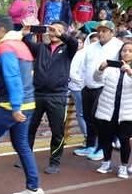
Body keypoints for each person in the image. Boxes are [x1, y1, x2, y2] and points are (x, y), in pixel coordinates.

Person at [0, 16, 46, 194]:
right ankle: (34, 188)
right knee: (22, 145)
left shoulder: (5, 47)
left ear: (1, 30)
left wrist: (15, 107)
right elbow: (17, 78)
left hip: (11, 107)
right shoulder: (20, 46)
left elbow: (13, 78)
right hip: (27, 104)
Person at [22, 21, 78, 174]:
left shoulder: (68, 49)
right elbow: (27, 43)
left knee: (57, 131)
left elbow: (73, 42)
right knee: (30, 128)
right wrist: (28, 31)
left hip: (57, 96)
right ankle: (25, 158)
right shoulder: (41, 48)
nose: (53, 32)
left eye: (57, 30)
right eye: (51, 29)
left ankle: (54, 162)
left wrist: (61, 33)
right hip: (37, 94)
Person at [74, 21, 124, 160]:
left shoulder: (118, 46)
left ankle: (102, 148)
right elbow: (85, 65)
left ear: (112, 32)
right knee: (88, 117)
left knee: (100, 120)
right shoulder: (91, 46)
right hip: (88, 86)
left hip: (105, 88)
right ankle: (90, 145)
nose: (100, 33)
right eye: (99, 31)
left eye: (104, 31)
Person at [93, 42, 132, 179]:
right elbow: (96, 79)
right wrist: (100, 69)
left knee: (124, 139)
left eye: (129, 51)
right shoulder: (112, 67)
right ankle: (106, 162)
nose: (126, 53)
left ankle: (123, 166)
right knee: (105, 138)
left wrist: (130, 72)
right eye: (124, 50)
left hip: (126, 113)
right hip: (107, 109)